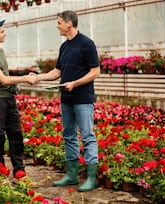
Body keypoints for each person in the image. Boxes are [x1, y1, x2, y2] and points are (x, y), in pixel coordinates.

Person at [34, 10, 100, 192]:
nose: (57, 26)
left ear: (68, 23)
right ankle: (72, 176)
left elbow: (95, 72)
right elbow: (57, 72)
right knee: (69, 135)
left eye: (59, 22)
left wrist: (75, 83)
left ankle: (92, 178)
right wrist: (39, 78)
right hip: (67, 99)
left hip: (83, 98)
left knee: (87, 136)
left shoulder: (87, 44)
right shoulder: (65, 47)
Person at [0, 19, 38, 179]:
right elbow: (3, 80)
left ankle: (20, 171)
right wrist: (25, 78)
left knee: (16, 135)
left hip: (9, 99)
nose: (5, 34)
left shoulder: (1, 52)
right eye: (2, 31)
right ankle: (0, 174)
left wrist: (16, 84)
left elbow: (7, 78)